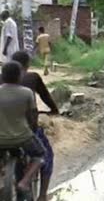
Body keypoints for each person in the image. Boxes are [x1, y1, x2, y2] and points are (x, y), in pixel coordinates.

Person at [0, 51, 59, 201]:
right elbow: (41, 103)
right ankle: (42, 195)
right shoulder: (31, 79)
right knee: (45, 155)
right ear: (26, 67)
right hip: (23, 133)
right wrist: (54, 110)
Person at [0, 62, 45, 194]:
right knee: (40, 154)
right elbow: (32, 116)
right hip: (22, 137)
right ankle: (25, 181)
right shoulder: (26, 93)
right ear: (20, 76)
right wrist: (33, 129)